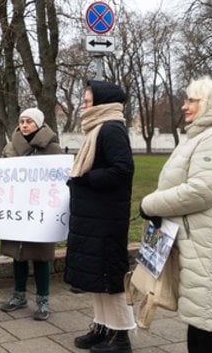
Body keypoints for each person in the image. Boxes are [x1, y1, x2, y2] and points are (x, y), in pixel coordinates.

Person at [139, 77, 212, 353]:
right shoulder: (204, 135)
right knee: (201, 318)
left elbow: (202, 190)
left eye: (192, 100)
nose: (184, 106)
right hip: (200, 242)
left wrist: (151, 204)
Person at [63, 80, 135, 353]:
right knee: (97, 276)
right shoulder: (99, 128)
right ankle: (102, 326)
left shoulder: (111, 129)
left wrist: (87, 179)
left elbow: (122, 169)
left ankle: (121, 336)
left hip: (106, 217)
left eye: (88, 100)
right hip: (95, 216)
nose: (83, 104)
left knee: (110, 276)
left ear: (102, 102)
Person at [0, 108, 61, 320]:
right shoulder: (10, 147)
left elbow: (58, 178)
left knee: (41, 256)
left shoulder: (52, 148)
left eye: (29, 122)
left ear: (39, 124)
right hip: (17, 207)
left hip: (41, 210)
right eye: (22, 121)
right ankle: (19, 295)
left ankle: (43, 300)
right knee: (19, 254)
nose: (24, 125)